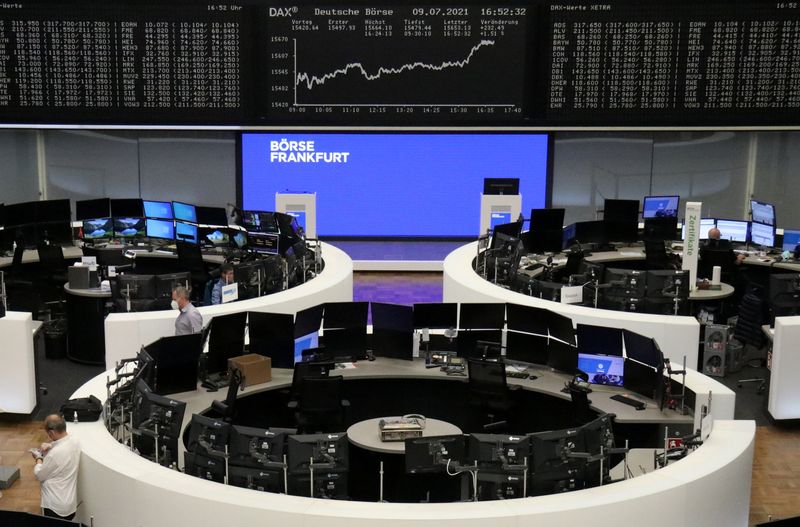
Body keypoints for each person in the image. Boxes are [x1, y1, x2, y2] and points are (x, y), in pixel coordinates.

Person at [32, 414, 80, 521]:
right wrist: (51, 445)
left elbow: (39, 475)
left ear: (51, 432)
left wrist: (38, 458)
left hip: (54, 507)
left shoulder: (53, 455)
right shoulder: (75, 441)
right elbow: (62, 442)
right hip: (70, 505)